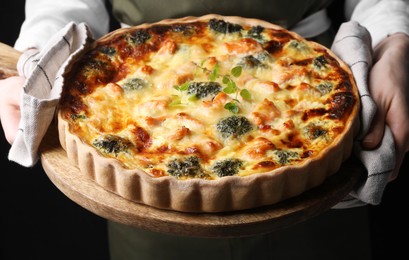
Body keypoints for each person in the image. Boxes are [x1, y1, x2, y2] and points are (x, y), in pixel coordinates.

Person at [0, 0, 408, 259]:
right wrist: (39, 56)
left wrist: (393, 45)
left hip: (301, 85)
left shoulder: (324, 104)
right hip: (136, 73)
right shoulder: (105, 114)